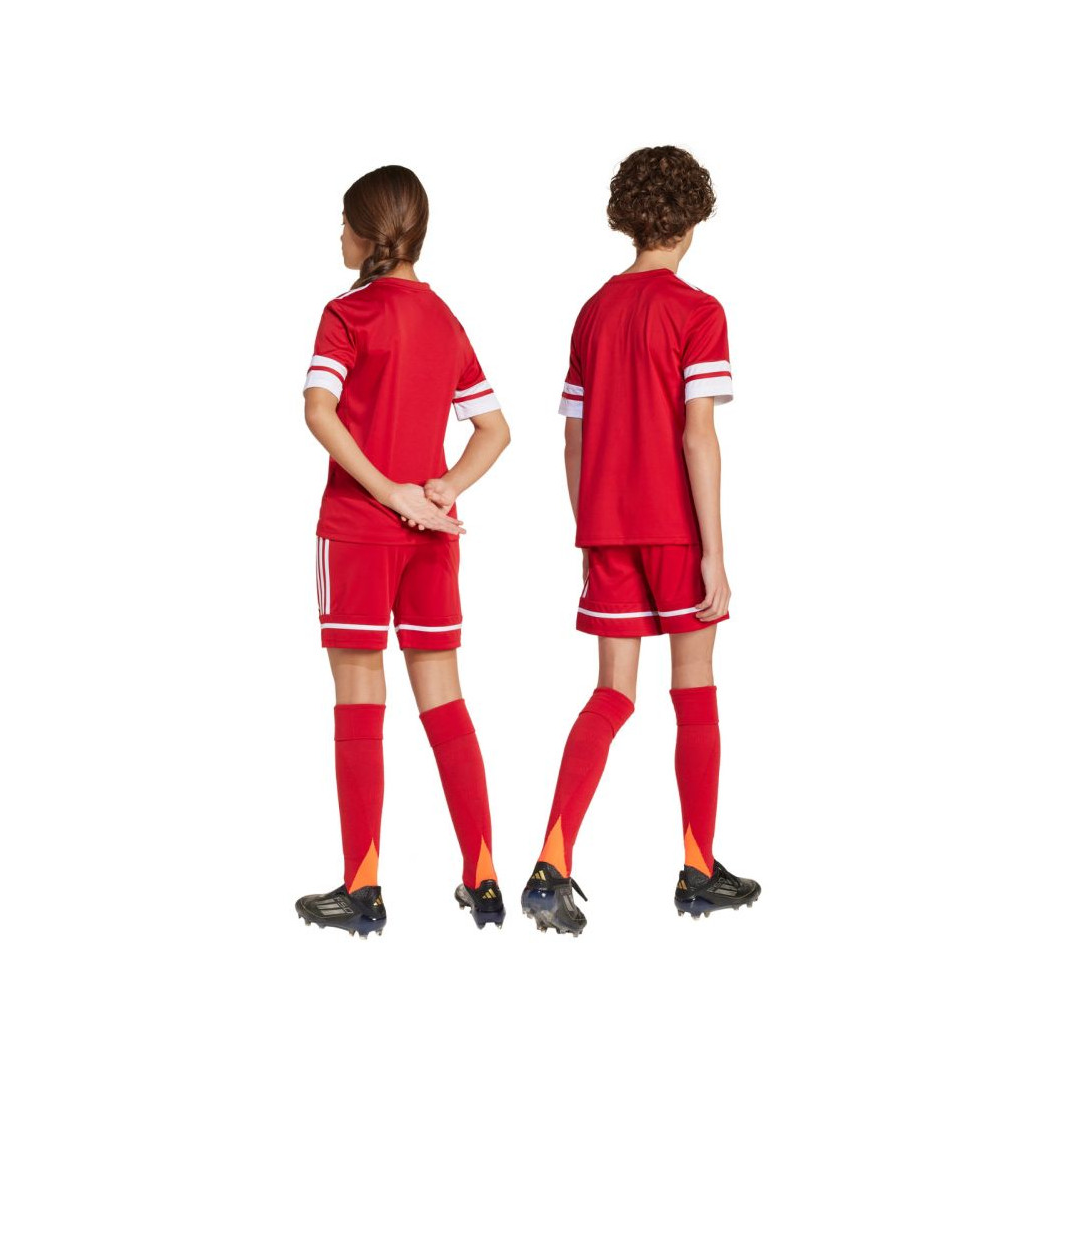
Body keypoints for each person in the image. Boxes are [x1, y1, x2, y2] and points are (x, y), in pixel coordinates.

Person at [521, 146, 760, 935]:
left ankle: (551, 862)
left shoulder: (593, 311)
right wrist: (714, 553)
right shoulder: (698, 311)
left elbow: (571, 439)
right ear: (692, 221)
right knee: (693, 693)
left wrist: (588, 529)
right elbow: (698, 437)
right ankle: (697, 868)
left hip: (607, 530)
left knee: (611, 695)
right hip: (674, 532)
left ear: (627, 218)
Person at [296, 165, 510, 939]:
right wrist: (441, 491)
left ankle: (363, 891)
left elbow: (317, 409)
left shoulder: (346, 313)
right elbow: (495, 430)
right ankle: (484, 878)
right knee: (445, 703)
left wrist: (389, 492)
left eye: (342, 223)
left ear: (364, 235)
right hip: (431, 540)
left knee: (361, 701)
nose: (338, 236)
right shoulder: (445, 319)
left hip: (358, 531)